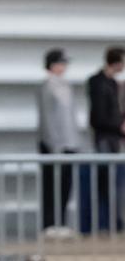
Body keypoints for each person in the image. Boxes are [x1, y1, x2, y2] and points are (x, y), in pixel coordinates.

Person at [37, 48, 79, 235]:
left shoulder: (66, 86)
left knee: (65, 184)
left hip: (69, 143)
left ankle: (61, 221)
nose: (64, 67)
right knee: (51, 184)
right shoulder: (47, 86)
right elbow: (47, 117)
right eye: (61, 63)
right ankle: (49, 223)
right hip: (53, 144)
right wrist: (53, 144)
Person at [86, 46, 125, 232]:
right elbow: (99, 116)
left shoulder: (112, 84)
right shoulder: (98, 82)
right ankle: (105, 223)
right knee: (105, 182)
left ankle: (114, 221)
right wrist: (118, 125)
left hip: (114, 137)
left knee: (114, 182)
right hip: (105, 137)